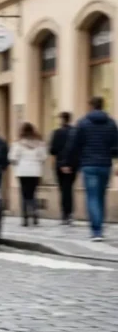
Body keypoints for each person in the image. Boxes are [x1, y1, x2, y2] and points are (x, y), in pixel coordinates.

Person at [62, 97, 118, 241]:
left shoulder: (83, 123)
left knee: (92, 197)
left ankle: (96, 231)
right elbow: (116, 146)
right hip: (105, 165)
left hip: (88, 165)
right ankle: (100, 227)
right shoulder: (111, 123)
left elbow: (73, 144)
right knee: (101, 196)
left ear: (91, 106)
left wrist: (67, 162)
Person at [9, 122, 47, 227]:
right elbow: (43, 157)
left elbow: (12, 157)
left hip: (22, 171)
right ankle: (35, 214)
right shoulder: (39, 143)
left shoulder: (18, 143)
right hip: (35, 171)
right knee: (33, 193)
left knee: (24, 194)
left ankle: (25, 218)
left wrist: (16, 163)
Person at [48, 111, 76, 224]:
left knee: (63, 190)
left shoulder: (57, 132)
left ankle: (65, 214)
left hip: (61, 164)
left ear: (62, 119)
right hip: (73, 165)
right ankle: (69, 214)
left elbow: (52, 150)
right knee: (69, 189)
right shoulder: (75, 132)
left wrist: (63, 163)